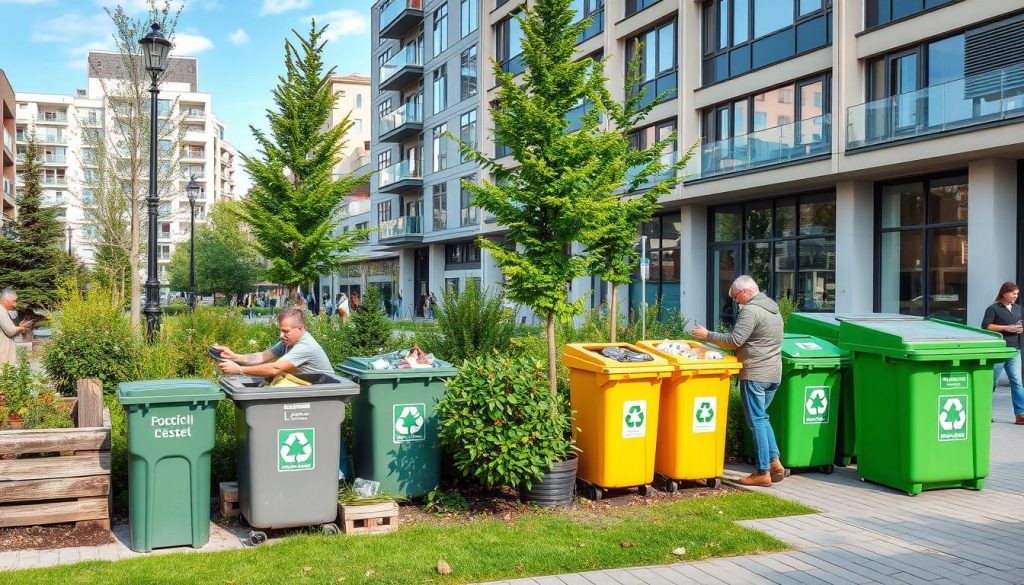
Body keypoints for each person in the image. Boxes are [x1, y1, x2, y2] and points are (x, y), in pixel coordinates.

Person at [693, 275, 785, 487]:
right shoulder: (774, 310)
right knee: (763, 417)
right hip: (773, 374)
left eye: (736, 297)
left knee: (757, 421)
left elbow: (735, 341)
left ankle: (762, 472)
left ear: (746, 291)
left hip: (755, 374)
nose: (737, 302)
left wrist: (707, 335)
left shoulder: (751, 311)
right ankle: (774, 462)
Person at [216, 308, 332, 376]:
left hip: (325, 394)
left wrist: (239, 369)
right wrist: (234, 357)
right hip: (310, 389)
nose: (281, 335)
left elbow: (276, 368)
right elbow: (262, 356)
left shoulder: (306, 346)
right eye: (280, 331)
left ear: (300, 329)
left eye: (286, 331)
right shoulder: (288, 342)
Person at [982, 281, 1024, 425]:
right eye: (1013, 294)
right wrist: (1007, 328)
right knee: (992, 383)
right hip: (998, 351)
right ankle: (985, 413)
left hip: (1014, 350)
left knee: (1017, 382)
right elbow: (986, 326)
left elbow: (1021, 324)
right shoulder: (993, 308)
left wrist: (1020, 329)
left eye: (1017, 294)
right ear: (1004, 293)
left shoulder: (1018, 308)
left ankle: (1020, 414)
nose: (1015, 296)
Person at [0, 289, 33, 366]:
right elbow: (10, 331)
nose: (15, 304)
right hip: (3, 352)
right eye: (14, 301)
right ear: (6, 299)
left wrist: (19, 327)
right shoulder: (1, 312)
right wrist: (21, 328)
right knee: (4, 374)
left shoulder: (4, 311)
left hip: (5, 350)